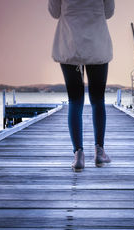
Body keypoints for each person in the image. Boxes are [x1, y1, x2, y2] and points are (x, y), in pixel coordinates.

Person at [48, 0, 114, 172]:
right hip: (96, 45)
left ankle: (78, 155)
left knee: (75, 100)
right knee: (98, 99)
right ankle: (100, 152)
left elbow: (54, 12)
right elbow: (109, 12)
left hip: (70, 45)